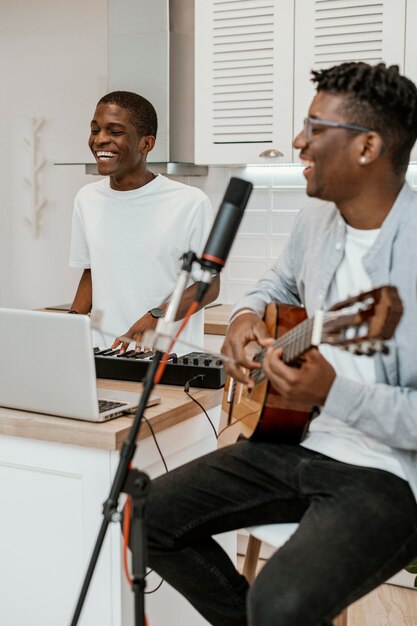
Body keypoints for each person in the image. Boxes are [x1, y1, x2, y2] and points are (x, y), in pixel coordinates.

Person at [144, 62, 417, 625]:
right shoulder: (316, 217)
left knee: (280, 603)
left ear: (367, 146)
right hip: (294, 441)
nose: (298, 141)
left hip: (388, 476)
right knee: (141, 515)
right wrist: (246, 315)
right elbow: (277, 284)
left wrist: (334, 392)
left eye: (315, 127)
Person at [69, 90, 219, 353]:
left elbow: (208, 287)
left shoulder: (190, 202)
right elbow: (93, 272)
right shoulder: (87, 199)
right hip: (103, 354)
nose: (100, 140)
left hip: (169, 359)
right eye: (95, 130)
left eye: (115, 132)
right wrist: (70, 325)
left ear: (146, 144)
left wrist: (156, 316)